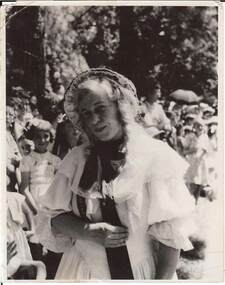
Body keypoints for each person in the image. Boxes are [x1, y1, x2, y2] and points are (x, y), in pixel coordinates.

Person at [39, 68, 195, 280]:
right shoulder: (76, 160)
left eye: (100, 108)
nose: (94, 119)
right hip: (81, 272)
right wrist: (86, 230)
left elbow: (171, 236)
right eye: (86, 113)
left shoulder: (155, 157)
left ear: (121, 107)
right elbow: (52, 217)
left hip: (141, 274)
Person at [19, 119, 61, 275]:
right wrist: (35, 210)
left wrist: (51, 208)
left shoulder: (56, 160)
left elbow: (59, 188)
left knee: (53, 246)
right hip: (34, 208)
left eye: (46, 136)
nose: (42, 140)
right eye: (38, 136)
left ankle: (53, 276)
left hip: (51, 207)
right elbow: (24, 189)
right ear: (32, 138)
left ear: (51, 138)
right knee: (36, 246)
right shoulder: (27, 160)